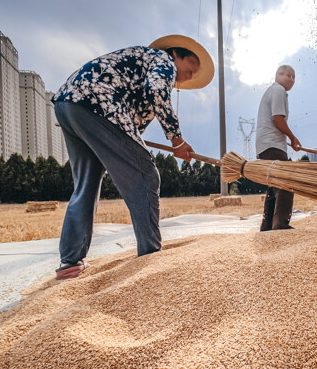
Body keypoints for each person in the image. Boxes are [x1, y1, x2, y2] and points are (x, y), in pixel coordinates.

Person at [51, 35, 214, 279]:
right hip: (98, 102)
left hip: (70, 103)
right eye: (192, 67)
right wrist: (176, 139)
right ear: (177, 54)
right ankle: (151, 256)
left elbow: (132, 128)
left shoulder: (143, 64)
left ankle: (70, 262)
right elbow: (157, 91)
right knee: (145, 175)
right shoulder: (163, 60)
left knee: (87, 182)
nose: (191, 75)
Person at [254, 64, 301, 232]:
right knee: (286, 183)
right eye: (287, 74)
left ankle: (267, 228)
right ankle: (280, 226)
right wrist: (293, 137)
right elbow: (277, 119)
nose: (290, 79)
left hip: (266, 145)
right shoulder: (278, 90)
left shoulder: (274, 91)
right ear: (277, 75)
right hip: (272, 145)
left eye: (293, 76)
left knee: (273, 188)